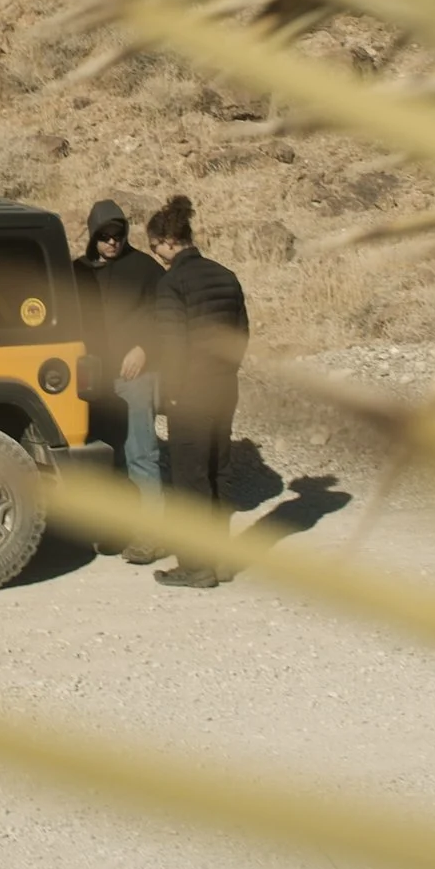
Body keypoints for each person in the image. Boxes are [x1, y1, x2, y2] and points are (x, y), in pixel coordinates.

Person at [144, 193, 249, 588]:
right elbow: (240, 335)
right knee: (218, 474)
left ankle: (195, 566)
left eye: (154, 247)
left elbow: (172, 346)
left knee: (190, 481)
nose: (156, 255)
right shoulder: (226, 275)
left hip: (190, 393)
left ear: (169, 241)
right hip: (224, 388)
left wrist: (170, 393)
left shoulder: (172, 283)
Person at [74, 196, 166, 557]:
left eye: (118, 234)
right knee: (106, 457)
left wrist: (145, 348)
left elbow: (169, 317)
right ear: (92, 236)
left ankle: (152, 535)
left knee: (140, 454)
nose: (112, 241)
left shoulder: (145, 269)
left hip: (135, 379)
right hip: (94, 381)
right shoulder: (78, 272)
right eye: (105, 235)